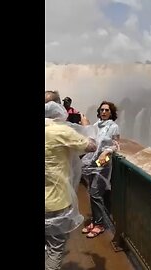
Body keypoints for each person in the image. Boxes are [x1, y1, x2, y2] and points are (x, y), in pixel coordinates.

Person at [45, 101, 96, 270]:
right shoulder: (61, 131)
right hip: (56, 200)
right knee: (55, 248)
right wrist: (87, 127)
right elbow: (91, 146)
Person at [81, 101, 120, 238]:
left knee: (95, 193)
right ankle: (95, 220)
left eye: (107, 110)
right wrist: (85, 126)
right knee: (92, 193)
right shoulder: (97, 125)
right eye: (102, 110)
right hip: (92, 163)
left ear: (111, 113)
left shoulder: (114, 127)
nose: (104, 112)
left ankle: (100, 224)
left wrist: (106, 151)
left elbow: (116, 145)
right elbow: (91, 141)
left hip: (103, 164)